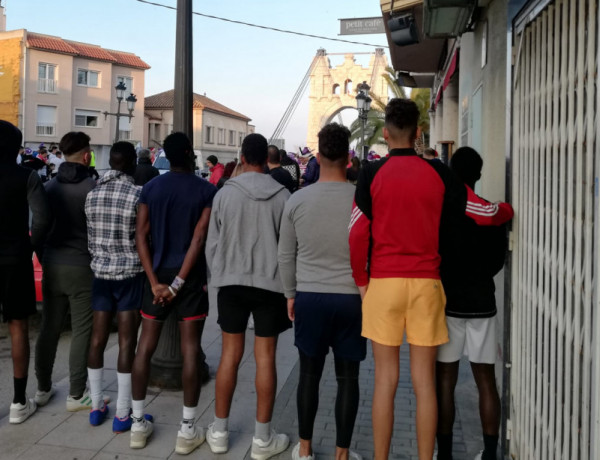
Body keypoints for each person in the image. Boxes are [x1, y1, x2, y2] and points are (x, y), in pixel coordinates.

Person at [349, 98, 466, 460]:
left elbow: (356, 234)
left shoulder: (370, 174)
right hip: (426, 283)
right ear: (418, 133)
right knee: (424, 383)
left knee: (385, 381)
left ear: (386, 133)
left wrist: (363, 282)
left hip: (383, 283)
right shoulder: (441, 174)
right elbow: (455, 227)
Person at [279, 123, 365, 460]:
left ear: (318, 154)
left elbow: (286, 253)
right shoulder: (360, 200)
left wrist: (290, 294)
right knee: (348, 377)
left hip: (310, 296)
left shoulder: (298, 199)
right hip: (351, 298)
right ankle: (342, 453)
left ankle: (304, 449)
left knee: (309, 375)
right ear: (348, 157)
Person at [205, 133, 291, 458]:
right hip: (271, 284)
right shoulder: (283, 195)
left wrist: (219, 275)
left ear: (242, 157)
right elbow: (288, 248)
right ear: (267, 159)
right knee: (265, 358)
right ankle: (262, 439)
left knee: (230, 355)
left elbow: (212, 244)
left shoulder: (226, 195)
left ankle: (219, 431)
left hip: (232, 282)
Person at [130, 132, 216, 455]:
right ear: (191, 154)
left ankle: (137, 424)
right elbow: (199, 238)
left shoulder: (151, 189)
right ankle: (187, 429)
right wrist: (179, 283)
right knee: (191, 349)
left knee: (144, 347)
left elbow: (141, 236)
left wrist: (155, 282)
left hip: (156, 277)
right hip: (189, 280)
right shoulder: (207, 190)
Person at [436, 147, 514, 460]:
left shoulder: (440, 209)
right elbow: (498, 259)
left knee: (445, 379)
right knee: (485, 380)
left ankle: (444, 454)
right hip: (482, 302)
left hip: (448, 303)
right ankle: (491, 453)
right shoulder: (486, 211)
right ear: (478, 175)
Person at [35, 132, 103, 412]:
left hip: (52, 262)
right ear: (86, 155)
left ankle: (42, 388)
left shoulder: (48, 187)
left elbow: (38, 226)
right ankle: (77, 394)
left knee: (49, 328)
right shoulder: (92, 188)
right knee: (81, 331)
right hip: (82, 267)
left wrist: (43, 256)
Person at [84, 142, 147, 430]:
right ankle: (123, 413)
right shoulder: (137, 194)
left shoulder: (92, 194)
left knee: (97, 338)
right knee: (126, 341)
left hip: (100, 274)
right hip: (129, 274)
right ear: (131, 161)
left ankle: (96, 406)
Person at [0, 120, 51, 424]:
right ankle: (19, 402)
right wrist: (31, 245)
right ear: (17, 148)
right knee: (18, 327)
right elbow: (42, 219)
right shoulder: (27, 177)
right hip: (15, 259)